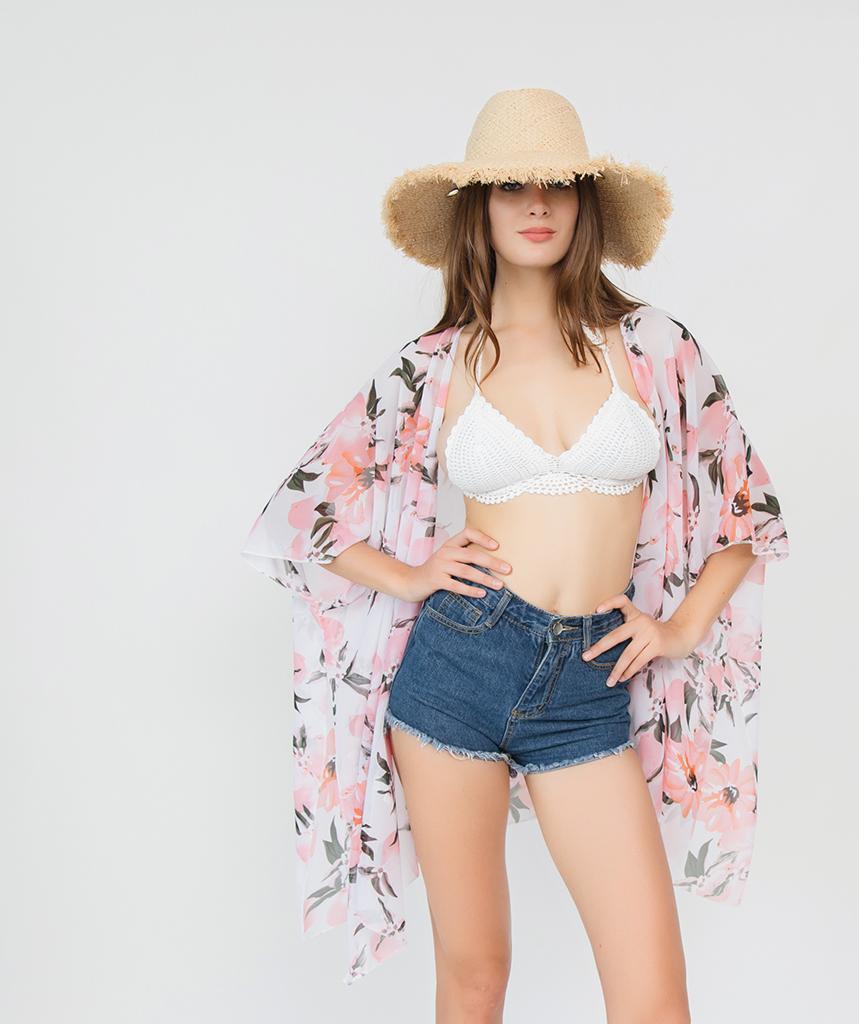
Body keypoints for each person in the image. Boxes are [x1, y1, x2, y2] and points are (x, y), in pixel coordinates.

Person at [241, 88, 790, 1017]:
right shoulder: (437, 362)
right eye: (510, 187)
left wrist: (679, 629)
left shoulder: (654, 346)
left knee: (654, 998)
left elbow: (745, 503)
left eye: (557, 185)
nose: (536, 205)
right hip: (459, 664)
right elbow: (305, 511)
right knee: (475, 974)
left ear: (584, 205)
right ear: (480, 210)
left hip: (589, 682)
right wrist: (411, 576)